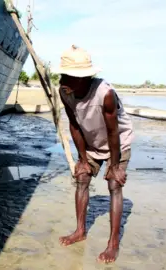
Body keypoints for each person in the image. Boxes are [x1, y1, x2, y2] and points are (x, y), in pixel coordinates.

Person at [52, 45, 134, 263]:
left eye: (66, 76)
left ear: (82, 78)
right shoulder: (65, 92)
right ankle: (80, 230)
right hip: (91, 142)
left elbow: (113, 131)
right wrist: (82, 160)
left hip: (118, 141)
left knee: (114, 184)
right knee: (81, 178)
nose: (61, 80)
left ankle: (113, 244)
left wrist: (114, 166)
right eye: (61, 75)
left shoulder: (105, 94)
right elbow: (74, 124)